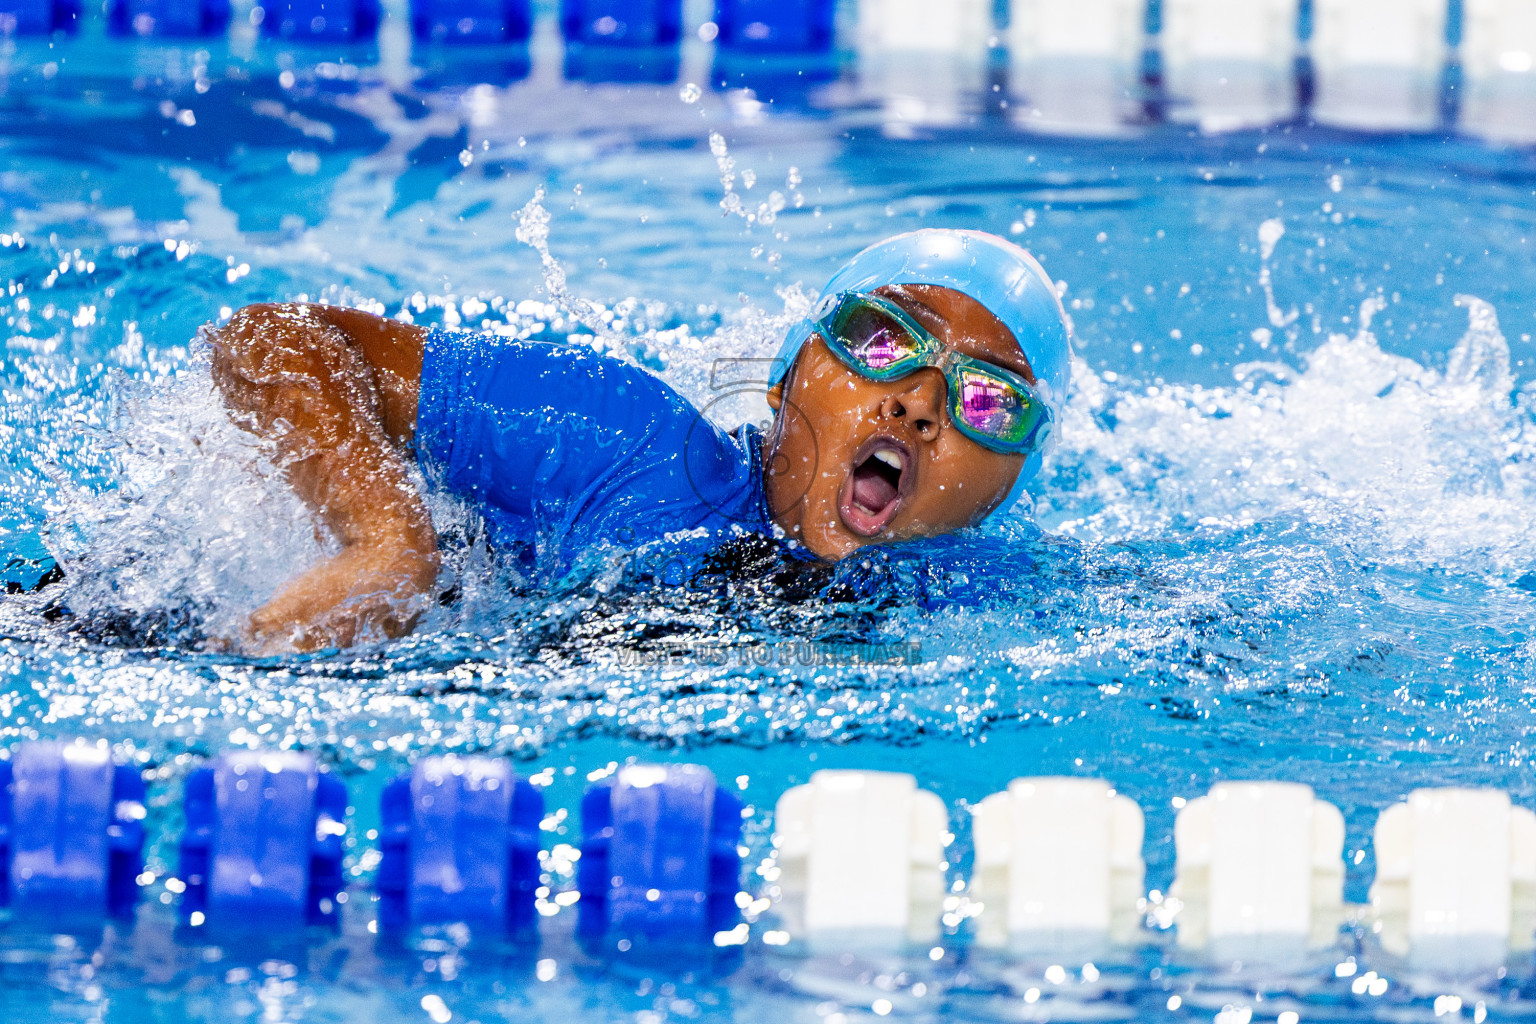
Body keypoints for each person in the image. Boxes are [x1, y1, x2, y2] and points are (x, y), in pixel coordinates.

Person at [208, 229, 1071, 652]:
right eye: (883, 340)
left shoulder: (984, 603)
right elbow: (276, 338)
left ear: (1004, 487)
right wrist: (387, 541)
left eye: (989, 402)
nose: (921, 401)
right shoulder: (628, 444)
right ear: (786, 377)